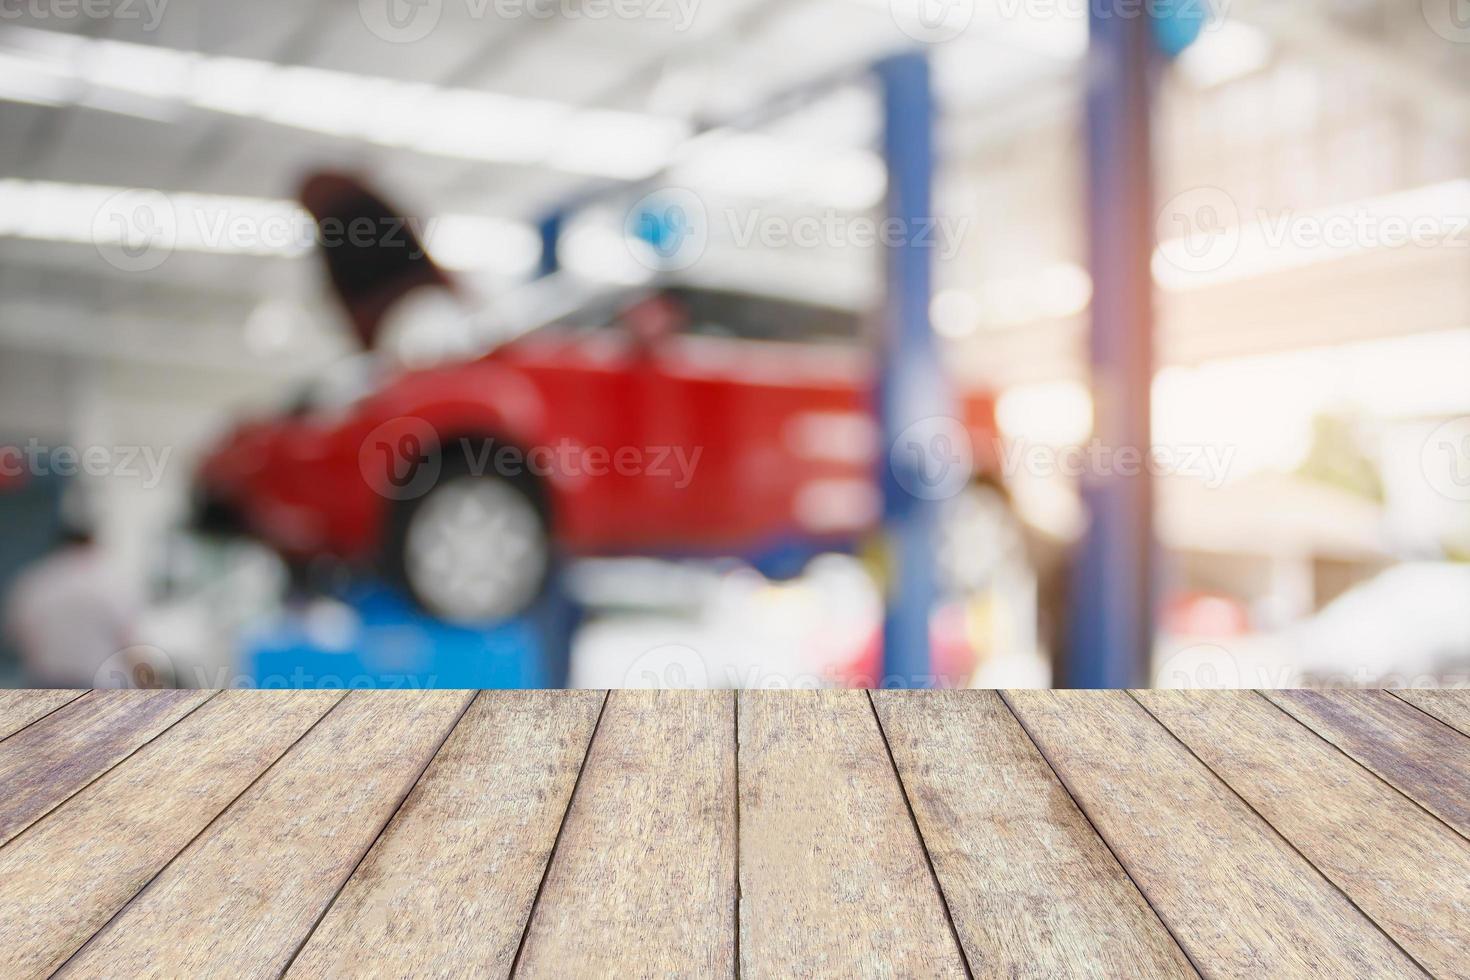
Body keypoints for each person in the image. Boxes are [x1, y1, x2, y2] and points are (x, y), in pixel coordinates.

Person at [3, 523, 141, 688]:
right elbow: (128, 641)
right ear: (92, 542)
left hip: (44, 682)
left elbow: (16, 635)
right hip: (98, 682)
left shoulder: (33, 580)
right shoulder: (110, 580)